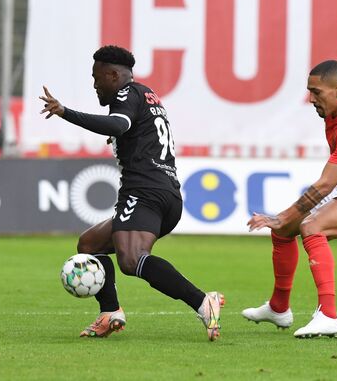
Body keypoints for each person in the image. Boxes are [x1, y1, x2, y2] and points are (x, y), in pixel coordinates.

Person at [39, 45, 225, 341]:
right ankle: (110, 311)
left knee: (130, 259)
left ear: (113, 75)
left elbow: (119, 124)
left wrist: (65, 112)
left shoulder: (127, 94)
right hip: (164, 193)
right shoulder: (147, 95)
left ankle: (203, 302)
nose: (94, 85)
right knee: (90, 245)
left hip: (145, 191)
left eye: (97, 77)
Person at [243, 59, 337, 338]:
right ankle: (279, 308)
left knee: (309, 226)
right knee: (284, 231)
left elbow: (325, 184)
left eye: (317, 92)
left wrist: (284, 215)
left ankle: (329, 315)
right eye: (310, 91)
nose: (311, 99)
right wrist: (284, 220)